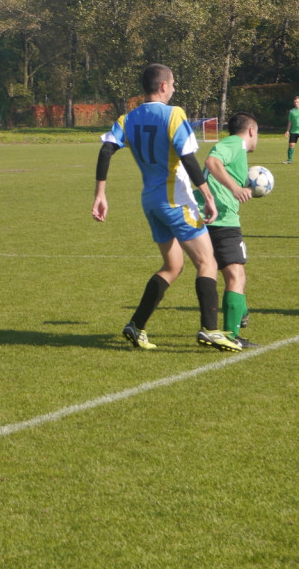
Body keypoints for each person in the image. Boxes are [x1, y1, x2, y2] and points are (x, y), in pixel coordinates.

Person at [92, 63, 241, 352]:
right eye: (172, 84)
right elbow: (188, 158)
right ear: (163, 86)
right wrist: (208, 196)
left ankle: (136, 325)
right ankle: (210, 329)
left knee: (173, 266)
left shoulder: (128, 118)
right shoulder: (174, 114)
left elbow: (106, 148)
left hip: (151, 201)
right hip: (176, 200)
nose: (174, 88)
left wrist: (101, 193)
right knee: (207, 262)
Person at [197, 111, 261, 348]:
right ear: (252, 131)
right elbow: (212, 162)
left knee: (228, 273)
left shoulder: (235, 147)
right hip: (222, 219)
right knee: (236, 275)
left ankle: (239, 313)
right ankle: (231, 337)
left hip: (211, 218)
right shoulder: (235, 143)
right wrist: (235, 188)